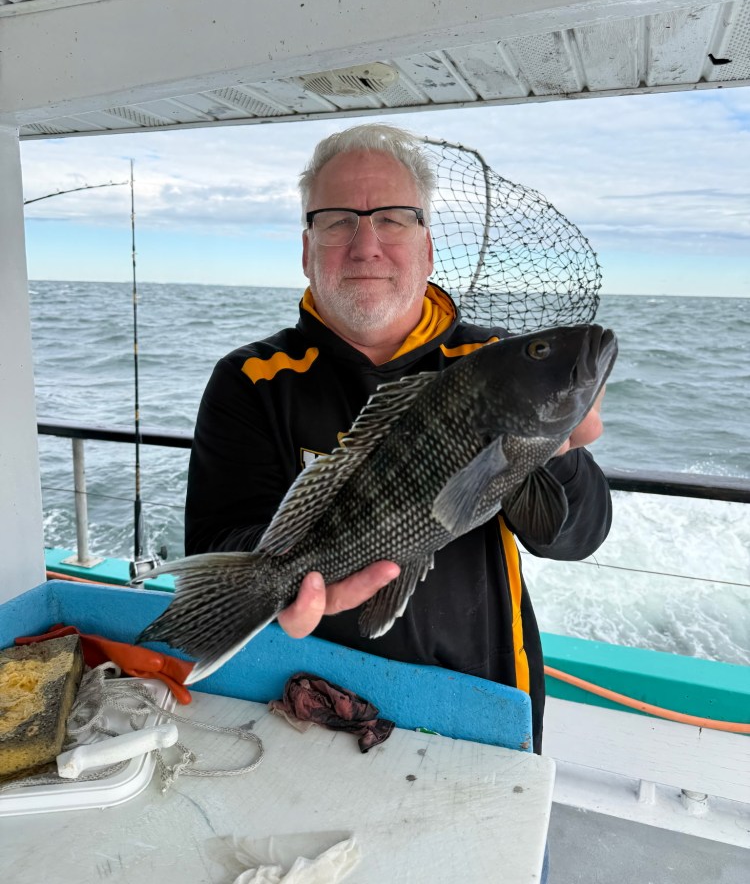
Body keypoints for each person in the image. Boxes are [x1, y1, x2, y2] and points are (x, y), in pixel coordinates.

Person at [185, 123, 612, 761]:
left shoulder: (492, 363)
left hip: (482, 692)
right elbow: (219, 546)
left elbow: (577, 539)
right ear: (307, 249)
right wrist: (290, 589)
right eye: (336, 222)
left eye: (392, 218)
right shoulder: (251, 381)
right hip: (311, 705)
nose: (366, 246)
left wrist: (564, 455)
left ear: (429, 247)